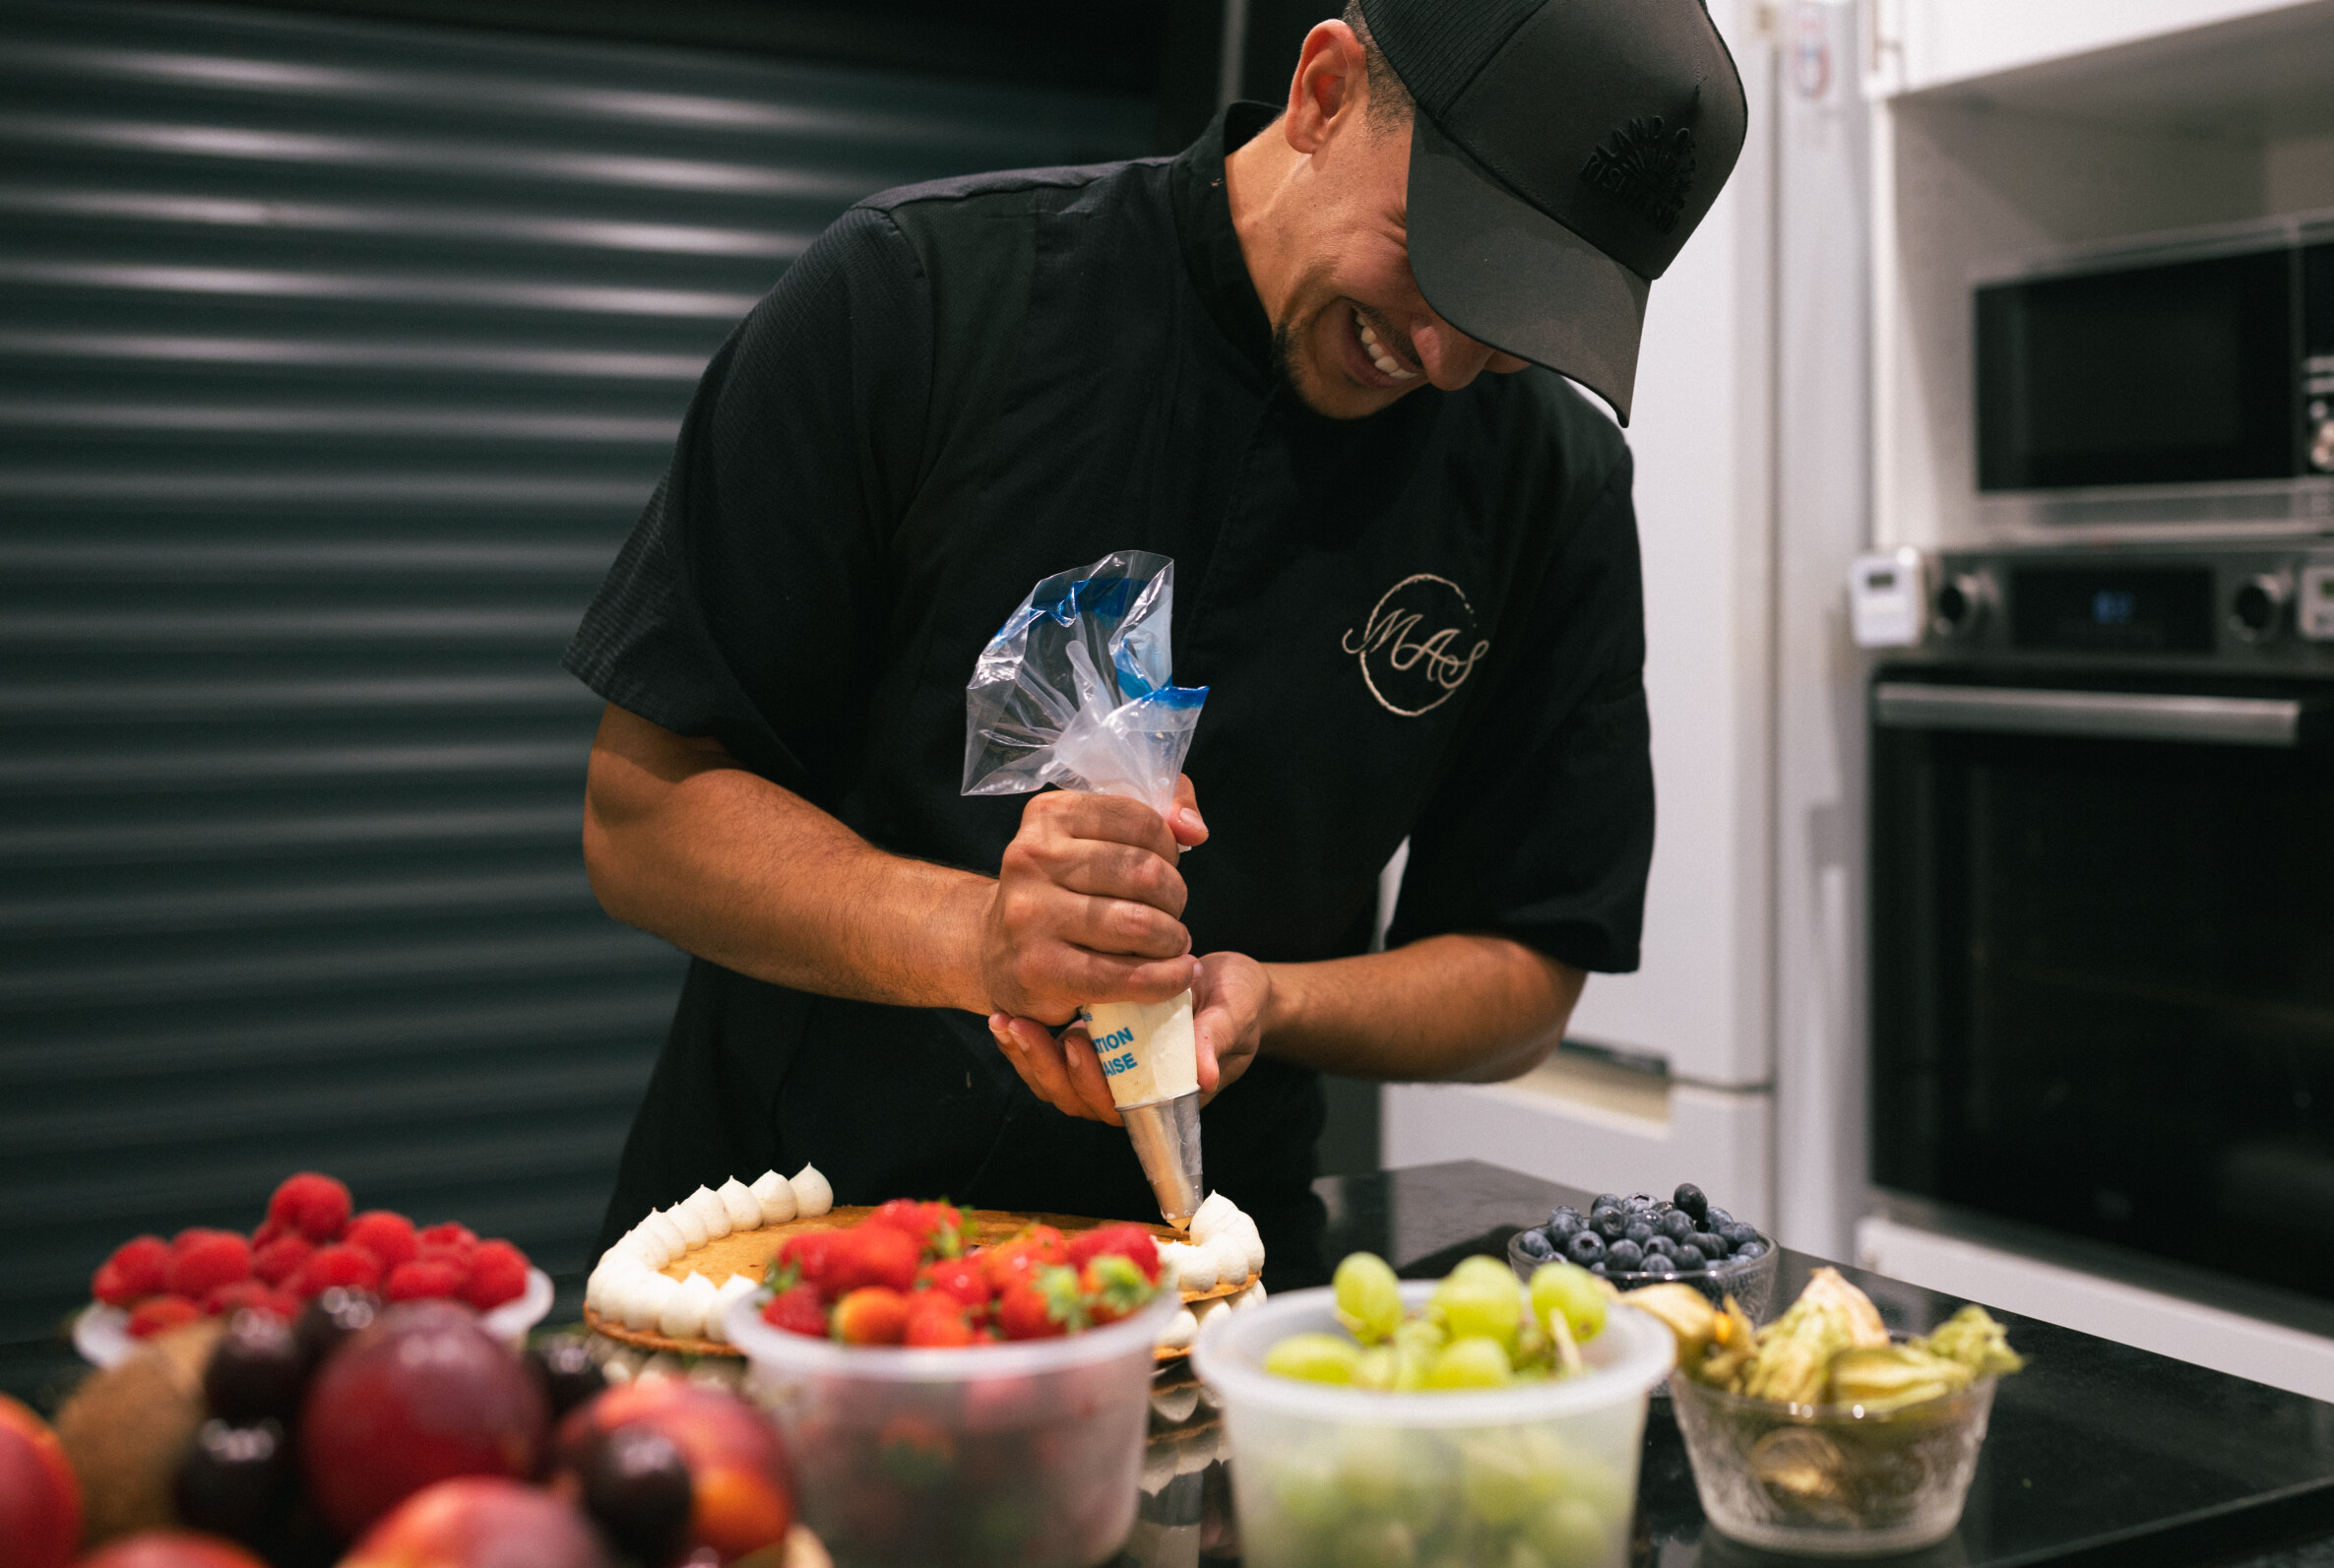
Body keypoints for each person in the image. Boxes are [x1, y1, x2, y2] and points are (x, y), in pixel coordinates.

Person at [566, 0, 1746, 1285]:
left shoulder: (1549, 485)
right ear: (1324, 91)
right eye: (1441, 256)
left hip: (1219, 1285)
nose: (1445, 354)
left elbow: (1525, 970)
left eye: (1521, 321)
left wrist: (1272, 1000)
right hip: (795, 1253)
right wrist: (978, 942)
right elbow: (643, 818)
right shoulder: (920, 297)